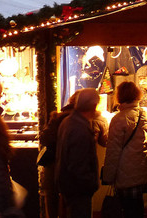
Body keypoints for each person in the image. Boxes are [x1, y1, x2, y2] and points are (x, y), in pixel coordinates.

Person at [102, 81, 147, 218]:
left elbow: (113, 151)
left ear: (119, 96)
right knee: (137, 207)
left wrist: (108, 176)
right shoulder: (146, 114)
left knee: (127, 209)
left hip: (124, 172)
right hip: (141, 170)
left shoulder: (119, 119)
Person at [56, 88, 107, 218]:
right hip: (78, 188)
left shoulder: (69, 121)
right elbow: (78, 164)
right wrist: (90, 184)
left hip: (70, 185)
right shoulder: (79, 128)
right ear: (94, 105)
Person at [39, 90, 79, 218]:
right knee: (70, 199)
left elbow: (44, 138)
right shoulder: (81, 119)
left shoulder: (57, 117)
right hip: (70, 164)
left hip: (52, 162)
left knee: (51, 196)